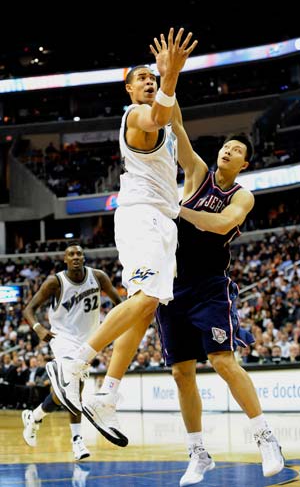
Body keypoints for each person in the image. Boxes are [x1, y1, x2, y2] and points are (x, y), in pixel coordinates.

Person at [45, 27, 198, 444]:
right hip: (140, 216)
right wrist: (168, 78)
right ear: (128, 90)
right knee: (145, 299)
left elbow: (176, 123)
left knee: (143, 308)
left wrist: (172, 74)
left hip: (163, 222)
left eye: (152, 77)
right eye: (142, 79)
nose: (149, 81)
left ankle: (106, 396)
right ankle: (73, 364)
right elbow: (161, 116)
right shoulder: (136, 117)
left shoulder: (165, 111)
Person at [154, 100, 284, 485]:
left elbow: (223, 223)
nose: (228, 150)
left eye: (238, 150)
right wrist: (169, 79)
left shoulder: (243, 196)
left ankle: (266, 438)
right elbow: (176, 125)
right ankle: (198, 452)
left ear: (245, 164)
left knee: (223, 361)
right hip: (173, 284)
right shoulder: (196, 172)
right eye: (227, 146)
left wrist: (181, 211)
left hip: (210, 286)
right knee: (180, 372)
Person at [22, 241, 122, 460]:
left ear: (83, 257)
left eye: (79, 253)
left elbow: (119, 303)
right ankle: (77, 441)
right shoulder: (55, 282)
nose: (76, 256)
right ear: (65, 260)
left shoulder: (99, 277)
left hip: (89, 342)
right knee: (74, 388)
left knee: (64, 393)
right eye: (71, 254)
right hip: (62, 339)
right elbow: (28, 309)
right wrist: (39, 328)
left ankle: (35, 416)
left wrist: (114, 328)